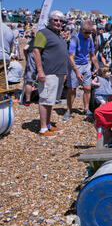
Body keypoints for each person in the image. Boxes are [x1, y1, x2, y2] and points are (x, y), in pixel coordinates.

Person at [32, 10, 68, 138]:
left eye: (61, 21)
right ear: (50, 20)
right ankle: (42, 128)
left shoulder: (58, 35)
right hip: (48, 72)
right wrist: (40, 71)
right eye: (56, 20)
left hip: (59, 73)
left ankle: (47, 124)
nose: (59, 23)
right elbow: (36, 51)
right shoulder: (43, 33)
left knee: (51, 100)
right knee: (45, 99)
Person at [63, 20, 99, 120]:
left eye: (90, 32)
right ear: (81, 30)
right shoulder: (74, 39)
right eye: (86, 32)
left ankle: (86, 108)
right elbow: (70, 57)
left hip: (86, 65)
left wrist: (97, 68)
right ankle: (68, 110)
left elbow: (92, 55)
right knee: (72, 89)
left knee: (87, 88)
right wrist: (76, 71)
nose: (88, 34)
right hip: (75, 64)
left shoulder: (90, 39)